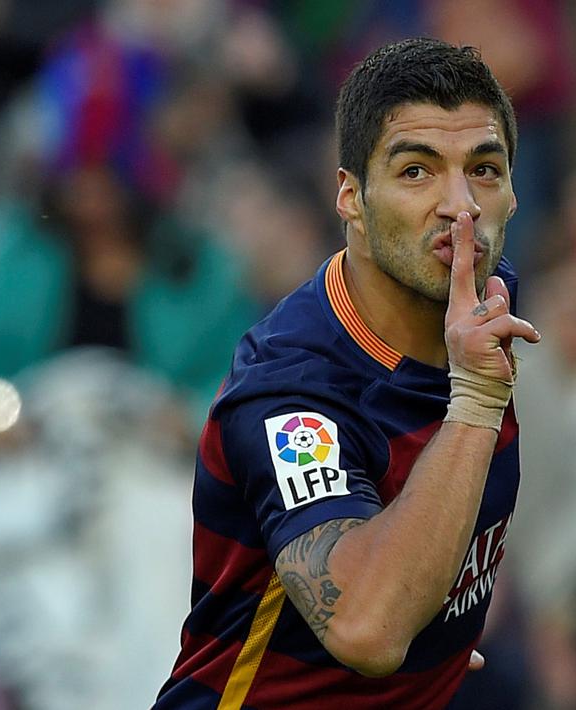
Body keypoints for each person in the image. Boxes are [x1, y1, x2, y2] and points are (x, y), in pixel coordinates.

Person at [154, 38, 540, 708]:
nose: (460, 206)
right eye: (416, 172)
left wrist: (436, 628)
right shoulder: (292, 398)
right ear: (351, 198)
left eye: (483, 169)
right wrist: (475, 402)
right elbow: (367, 627)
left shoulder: (482, 294)